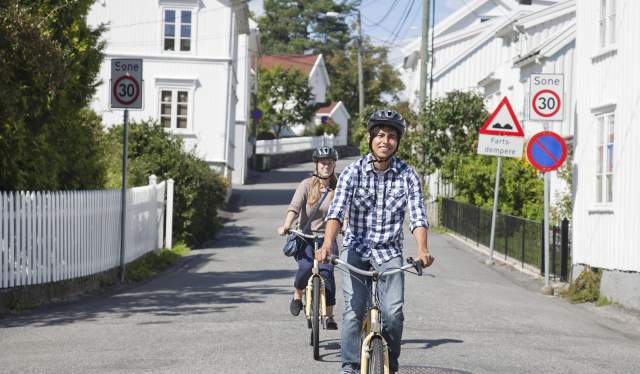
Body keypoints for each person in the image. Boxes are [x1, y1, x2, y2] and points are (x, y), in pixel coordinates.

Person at [317, 109, 435, 374]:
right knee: (353, 312)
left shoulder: (408, 175)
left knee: (393, 314)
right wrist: (327, 245)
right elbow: (336, 211)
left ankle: (390, 366)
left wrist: (423, 249)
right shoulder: (352, 172)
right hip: (356, 249)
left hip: (389, 252)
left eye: (392, 136)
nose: (385, 141)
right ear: (370, 139)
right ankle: (349, 367)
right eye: (380, 135)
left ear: (398, 142)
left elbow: (417, 216)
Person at [277, 146, 340, 330]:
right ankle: (298, 294)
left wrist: (347, 226)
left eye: (329, 163)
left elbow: (344, 213)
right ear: (316, 165)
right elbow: (294, 207)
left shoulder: (338, 188)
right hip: (305, 237)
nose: (326, 166)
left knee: (327, 273)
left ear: (334, 164)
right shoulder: (306, 185)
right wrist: (287, 226)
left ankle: (329, 315)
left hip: (326, 239)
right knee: (305, 268)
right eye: (323, 163)